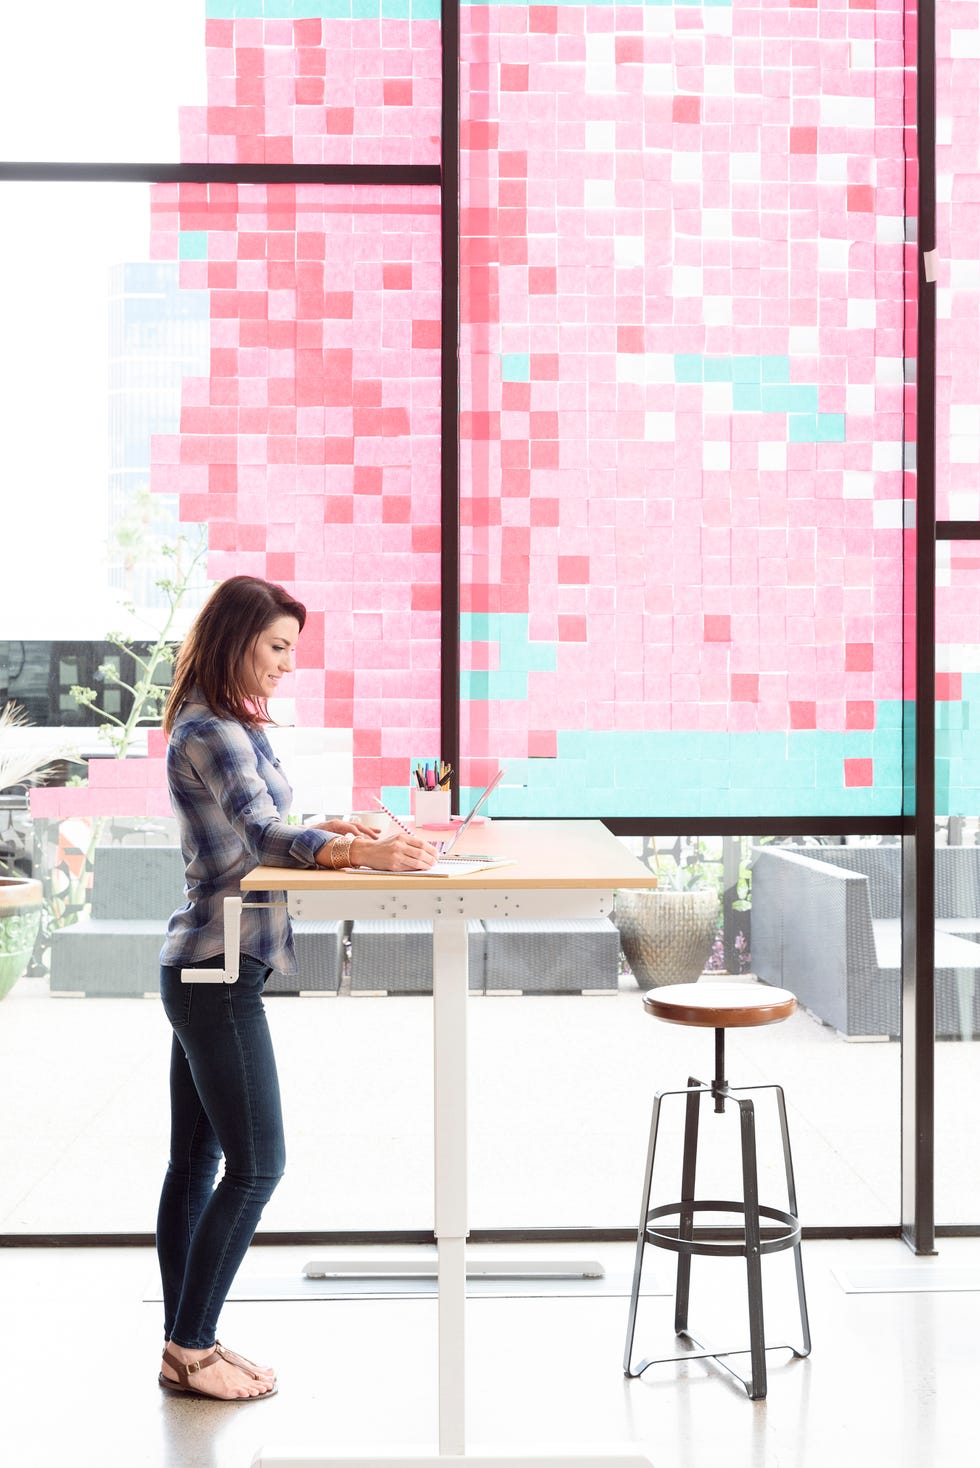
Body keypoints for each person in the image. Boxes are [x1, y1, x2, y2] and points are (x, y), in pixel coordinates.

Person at [156, 574, 437, 1401]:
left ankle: (185, 1342)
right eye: (276, 646)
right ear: (237, 637)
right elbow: (264, 832)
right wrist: (361, 854)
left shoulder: (223, 721)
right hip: (220, 971)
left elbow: (268, 824)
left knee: (195, 1165)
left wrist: (339, 825)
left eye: (291, 651)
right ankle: (192, 1347)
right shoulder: (218, 730)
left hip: (203, 964)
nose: (285, 665)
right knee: (257, 1166)